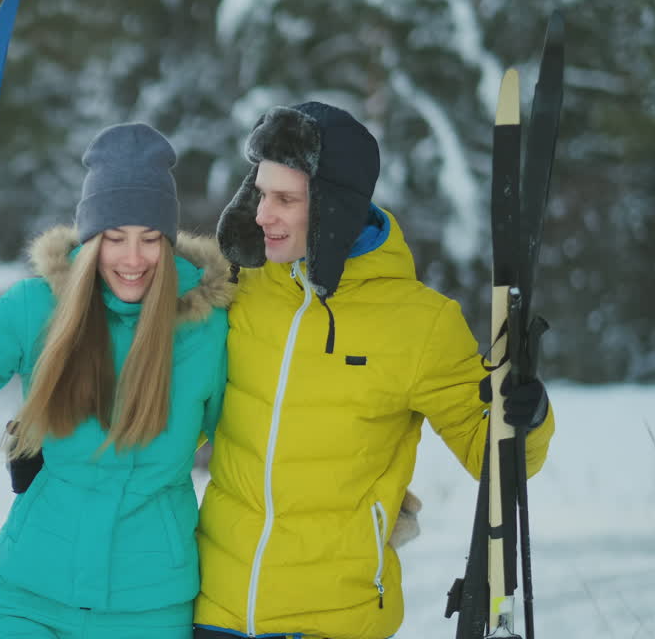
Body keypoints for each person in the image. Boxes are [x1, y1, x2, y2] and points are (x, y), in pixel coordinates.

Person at [194, 102, 555, 639]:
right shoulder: (235, 289)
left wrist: (528, 415)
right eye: (261, 192)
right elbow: (164, 406)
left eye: (286, 199)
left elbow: (495, 456)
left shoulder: (419, 322)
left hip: (337, 621)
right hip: (213, 612)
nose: (263, 214)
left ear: (335, 206)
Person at [0, 123, 235, 638]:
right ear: (92, 239)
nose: (133, 259)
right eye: (115, 238)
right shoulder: (37, 308)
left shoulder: (207, 329)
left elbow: (250, 448)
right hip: (31, 597)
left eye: (149, 239)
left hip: (149, 606)